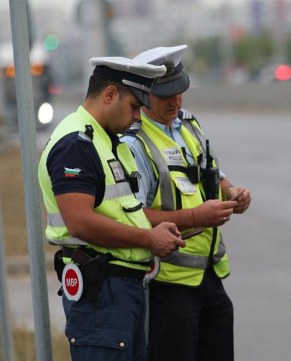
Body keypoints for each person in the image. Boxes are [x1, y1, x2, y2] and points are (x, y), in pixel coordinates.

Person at [38, 55, 186, 361]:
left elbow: (122, 210)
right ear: (109, 95)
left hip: (120, 290)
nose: (138, 117)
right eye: (134, 106)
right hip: (101, 293)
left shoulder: (107, 141)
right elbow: (79, 222)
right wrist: (148, 239)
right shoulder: (76, 144)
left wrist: (154, 229)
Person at [121, 45, 251, 361]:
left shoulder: (188, 123)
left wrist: (233, 192)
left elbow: (212, 172)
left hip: (209, 277)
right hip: (168, 286)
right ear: (142, 94)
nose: (176, 101)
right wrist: (196, 216)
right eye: (166, 95)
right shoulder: (134, 142)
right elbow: (132, 215)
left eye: (180, 91)